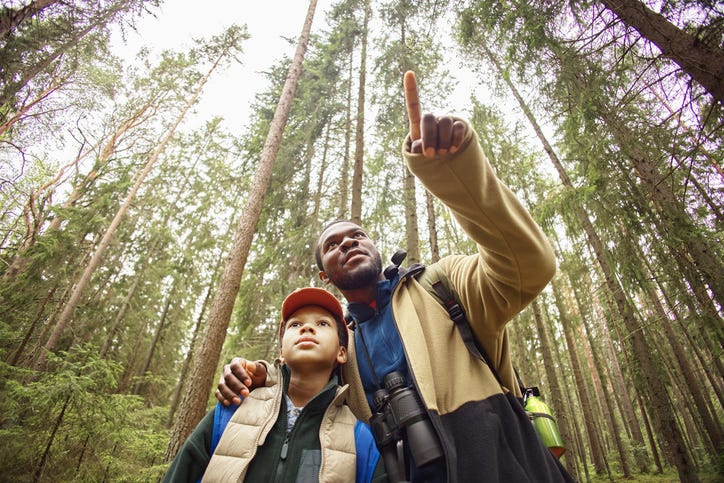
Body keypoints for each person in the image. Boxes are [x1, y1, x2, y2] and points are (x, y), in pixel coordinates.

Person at [215, 71, 572, 482]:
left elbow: (529, 266)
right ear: (323, 275)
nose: (347, 244)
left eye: (357, 236)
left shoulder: (442, 285)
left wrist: (456, 175)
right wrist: (257, 374)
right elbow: (300, 384)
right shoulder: (339, 342)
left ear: (376, 248)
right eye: (333, 245)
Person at [163, 287, 387, 483]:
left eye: (322, 323)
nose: (306, 329)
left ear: (341, 353)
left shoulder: (360, 439)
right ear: (281, 350)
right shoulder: (231, 411)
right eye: (296, 324)